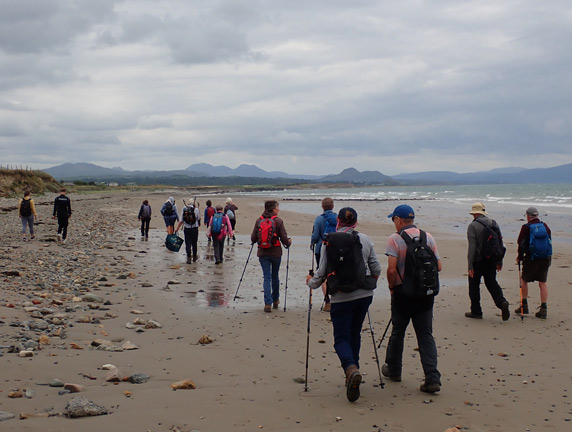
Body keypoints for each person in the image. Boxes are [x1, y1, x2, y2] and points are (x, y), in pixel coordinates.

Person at [306, 207, 381, 402]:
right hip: (364, 295)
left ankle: (350, 369)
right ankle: (353, 370)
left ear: (337, 221)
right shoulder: (364, 239)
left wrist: (310, 282)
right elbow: (376, 267)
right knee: (355, 332)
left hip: (340, 296)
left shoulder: (328, 242)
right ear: (355, 222)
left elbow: (321, 273)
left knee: (340, 337)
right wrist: (370, 281)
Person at [382, 204, 442, 394]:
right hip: (425, 295)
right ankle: (432, 377)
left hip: (403, 294)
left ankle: (394, 370)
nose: (394, 223)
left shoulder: (395, 239)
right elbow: (439, 266)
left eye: (394, 219)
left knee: (398, 332)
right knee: (425, 335)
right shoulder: (428, 237)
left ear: (399, 220)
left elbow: (391, 269)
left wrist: (392, 287)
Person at [465, 202, 510, 321]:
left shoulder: (472, 226)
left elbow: (472, 247)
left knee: (474, 285)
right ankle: (502, 302)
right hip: (492, 260)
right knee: (491, 282)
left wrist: (470, 265)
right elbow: (500, 243)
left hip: (477, 260)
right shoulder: (493, 223)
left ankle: (476, 312)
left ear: (474, 213)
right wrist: (500, 261)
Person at [251, 200, 292, 313]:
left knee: (266, 277)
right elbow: (284, 239)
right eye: (277, 207)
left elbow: (253, 238)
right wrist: (289, 242)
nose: (278, 209)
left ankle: (267, 303)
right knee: (275, 276)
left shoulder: (259, 220)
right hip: (275, 253)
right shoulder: (278, 221)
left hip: (263, 252)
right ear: (273, 209)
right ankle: (275, 300)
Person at [515, 207, 552, 319]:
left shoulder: (526, 227)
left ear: (528, 216)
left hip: (532, 258)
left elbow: (520, 243)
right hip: (546, 257)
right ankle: (544, 308)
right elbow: (549, 239)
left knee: (524, 279)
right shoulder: (544, 226)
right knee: (542, 282)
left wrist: (519, 257)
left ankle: (524, 305)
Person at [310, 197, 338, 312]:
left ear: (322, 207)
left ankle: (327, 301)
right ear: (333, 206)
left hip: (321, 249)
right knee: (335, 273)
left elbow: (315, 236)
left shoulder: (319, 219)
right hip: (336, 249)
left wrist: (313, 242)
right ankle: (336, 299)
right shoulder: (338, 218)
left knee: (323, 274)